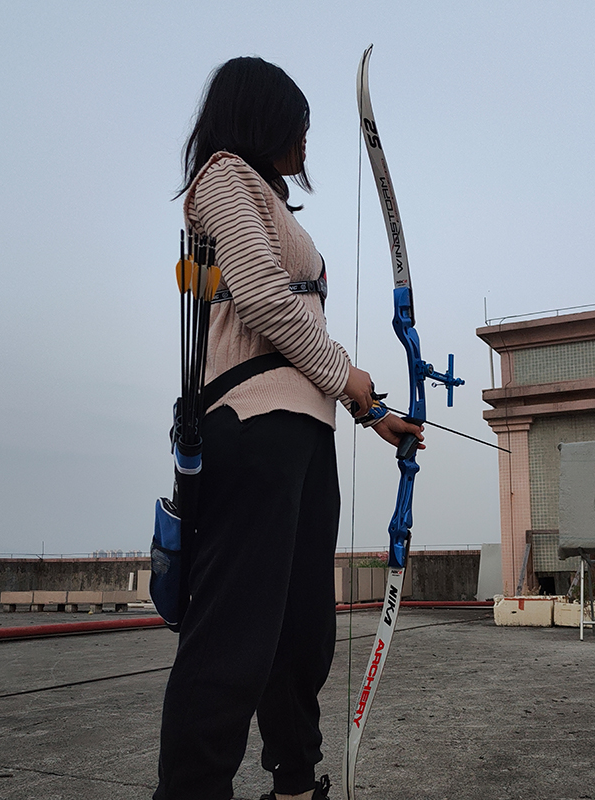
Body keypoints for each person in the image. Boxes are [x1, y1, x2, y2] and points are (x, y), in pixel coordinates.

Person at [153, 56, 424, 800]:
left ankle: (297, 784)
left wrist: (374, 414)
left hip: (303, 431)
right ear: (263, 118)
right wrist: (350, 383)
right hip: (252, 425)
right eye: (298, 128)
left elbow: (301, 338)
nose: (306, 144)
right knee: (235, 631)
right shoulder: (224, 176)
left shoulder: (269, 201)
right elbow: (270, 307)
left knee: (300, 629)